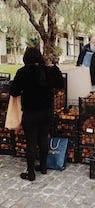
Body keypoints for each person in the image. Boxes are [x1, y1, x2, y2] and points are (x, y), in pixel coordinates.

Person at [9, 47, 64, 181]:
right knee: (44, 139)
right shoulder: (48, 70)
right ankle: (43, 167)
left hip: (30, 113)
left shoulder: (23, 72)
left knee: (31, 142)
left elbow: (14, 91)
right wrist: (55, 68)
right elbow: (60, 84)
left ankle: (31, 172)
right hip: (46, 112)